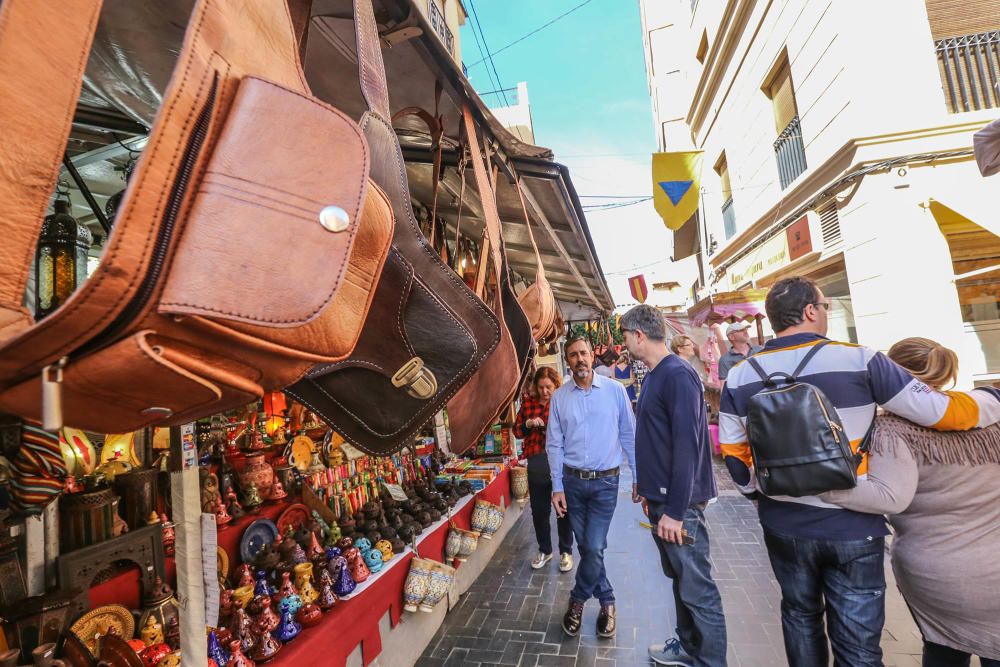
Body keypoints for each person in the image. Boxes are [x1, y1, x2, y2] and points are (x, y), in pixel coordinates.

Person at [719, 276, 1000, 666]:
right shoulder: (859, 359)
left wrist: (759, 496)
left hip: (782, 522)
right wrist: (989, 398)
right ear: (810, 311)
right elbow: (938, 412)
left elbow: (733, 455)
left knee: (799, 615)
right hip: (852, 524)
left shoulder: (740, 374)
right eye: (825, 305)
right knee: (857, 646)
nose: (826, 312)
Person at [818, 337, 1000, 667]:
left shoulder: (892, 429)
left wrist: (824, 488)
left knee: (944, 650)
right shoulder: (987, 416)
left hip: (941, 572)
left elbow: (890, 497)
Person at [622, 306, 726, 667]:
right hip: (661, 500)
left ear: (638, 335)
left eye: (624, 336)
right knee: (682, 582)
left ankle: (711, 661)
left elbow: (687, 446)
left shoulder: (678, 375)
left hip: (679, 508)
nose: (623, 344)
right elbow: (657, 438)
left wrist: (677, 512)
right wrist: (644, 483)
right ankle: (688, 646)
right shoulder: (654, 375)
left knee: (698, 589)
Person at [547, 336, 637, 639]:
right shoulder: (559, 397)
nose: (580, 359)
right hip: (572, 484)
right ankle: (608, 601)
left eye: (584, 353)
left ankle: (578, 600)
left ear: (592, 356)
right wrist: (557, 487)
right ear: (567, 360)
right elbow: (554, 444)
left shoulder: (614, 391)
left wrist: (638, 476)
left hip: (606, 483)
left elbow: (628, 434)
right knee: (587, 548)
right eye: (573, 355)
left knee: (594, 546)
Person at [513, 366, 574, 573]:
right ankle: (545, 549)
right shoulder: (528, 404)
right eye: (541, 387)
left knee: (563, 510)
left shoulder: (563, 403)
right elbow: (517, 431)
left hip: (560, 461)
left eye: (549, 387)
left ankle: (566, 551)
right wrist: (529, 423)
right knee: (539, 511)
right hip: (537, 460)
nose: (545, 392)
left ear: (556, 385)